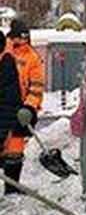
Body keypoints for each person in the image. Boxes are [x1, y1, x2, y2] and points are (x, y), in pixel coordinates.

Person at [3, 17, 46, 195]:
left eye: (26, 37)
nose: (23, 40)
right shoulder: (4, 50)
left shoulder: (33, 58)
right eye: (20, 36)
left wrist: (29, 107)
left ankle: (12, 190)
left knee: (14, 150)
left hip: (21, 111)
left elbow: (36, 87)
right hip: (3, 106)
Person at [0, 32, 21, 193]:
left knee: (13, 154)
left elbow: (9, 102)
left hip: (6, 121)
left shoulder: (6, 63)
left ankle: (11, 188)